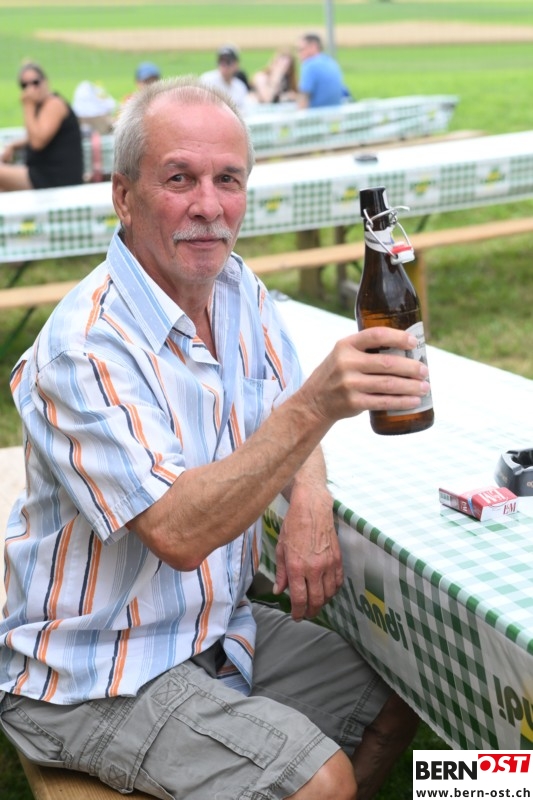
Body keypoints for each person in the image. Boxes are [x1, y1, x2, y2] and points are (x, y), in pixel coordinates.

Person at [0, 77, 423, 800]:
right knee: (320, 782)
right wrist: (316, 408)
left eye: (227, 179)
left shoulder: (235, 288)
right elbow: (177, 530)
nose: (208, 205)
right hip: (94, 668)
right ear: (123, 196)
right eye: (179, 179)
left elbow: (279, 396)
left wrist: (310, 498)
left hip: (212, 626)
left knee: (403, 684)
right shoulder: (84, 348)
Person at [0, 62, 84, 191]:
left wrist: (28, 106)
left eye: (35, 83)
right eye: (24, 85)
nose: (30, 89)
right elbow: (38, 135)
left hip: (56, 178)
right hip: (42, 174)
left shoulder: (53, 104)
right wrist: (14, 145)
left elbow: (37, 142)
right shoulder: (42, 105)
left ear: (45, 82)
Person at [296, 32, 346, 109]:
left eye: (301, 49)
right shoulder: (331, 62)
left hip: (317, 113)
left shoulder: (309, 65)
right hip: (335, 112)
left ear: (313, 46)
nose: (299, 54)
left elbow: (304, 97)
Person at [200, 45, 251, 111]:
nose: (224, 65)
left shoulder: (240, 87)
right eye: (221, 61)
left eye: (228, 62)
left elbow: (245, 111)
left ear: (236, 64)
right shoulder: (206, 81)